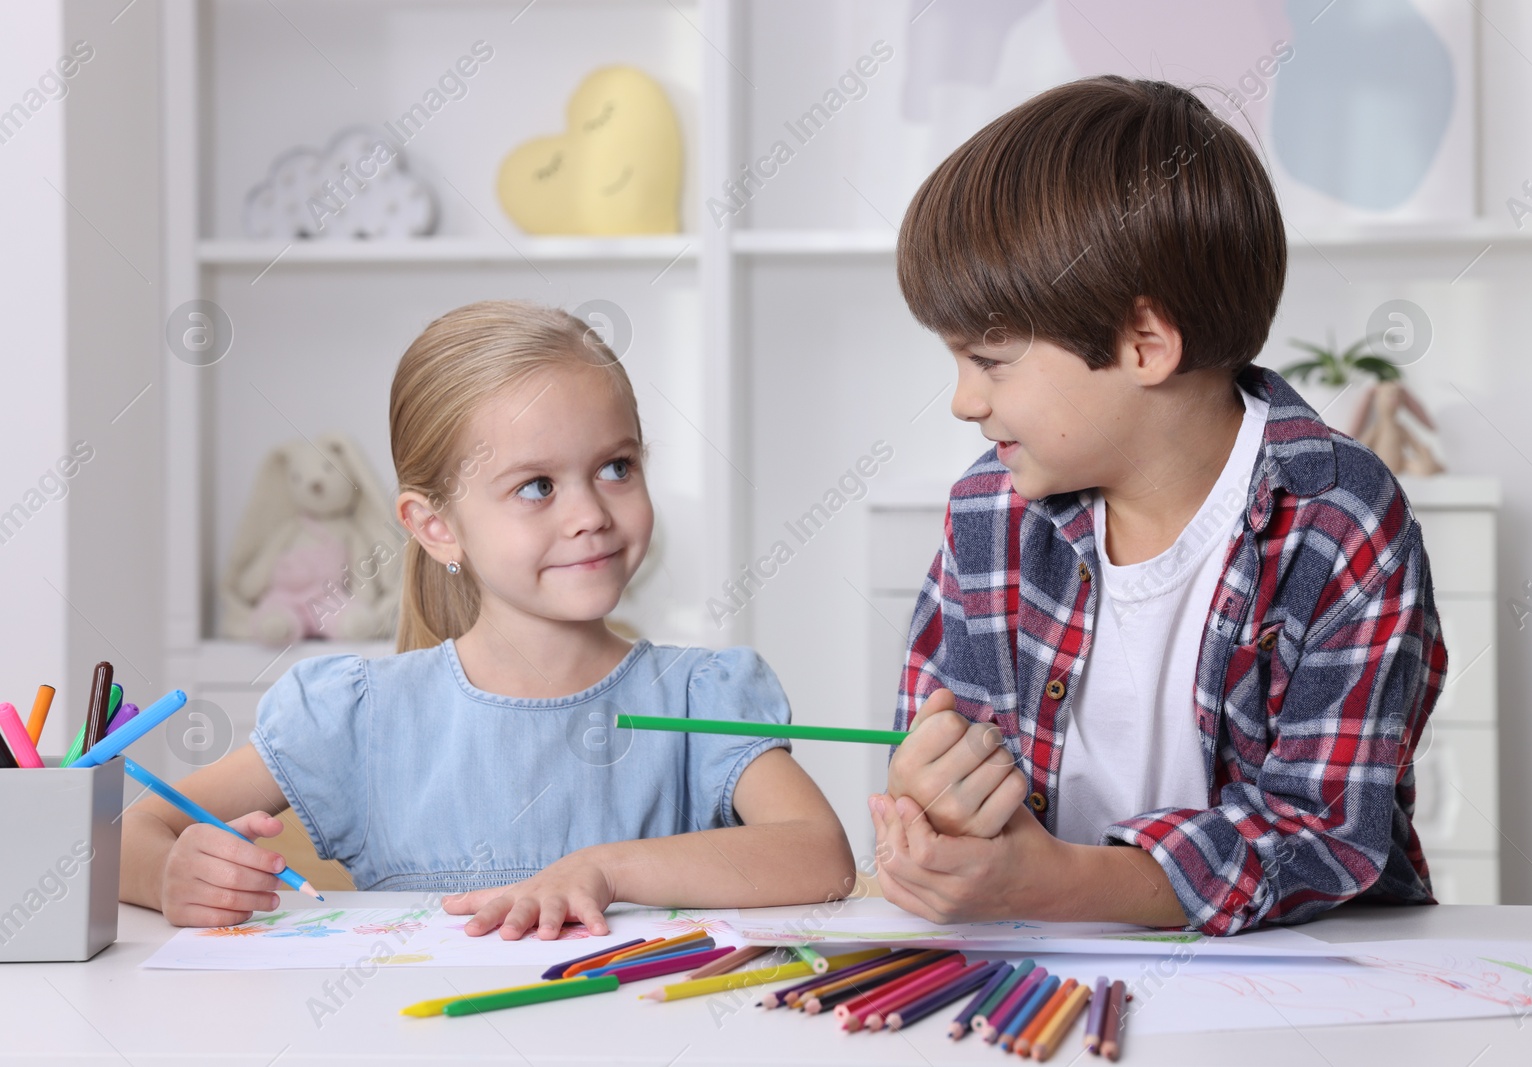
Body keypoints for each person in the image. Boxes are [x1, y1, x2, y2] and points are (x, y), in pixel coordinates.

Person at [869, 76, 1447, 936]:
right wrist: (931, 802)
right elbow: (933, 752)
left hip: (1299, 973)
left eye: (990, 360)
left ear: (1144, 344)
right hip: (1042, 962)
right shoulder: (988, 513)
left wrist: (1050, 881)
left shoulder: (1338, 522)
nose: (963, 400)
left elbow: (1321, 834)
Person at [120, 300, 855, 937]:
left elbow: (821, 855)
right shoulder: (356, 718)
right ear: (436, 526)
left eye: (616, 467)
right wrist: (168, 877)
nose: (591, 515)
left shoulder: (702, 697)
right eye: (537, 485)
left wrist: (603, 869)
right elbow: (125, 831)